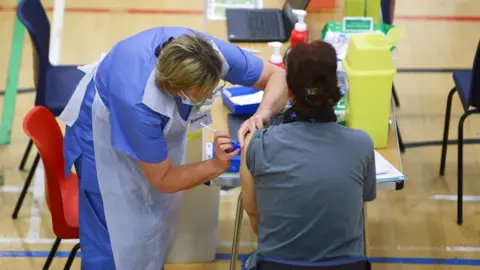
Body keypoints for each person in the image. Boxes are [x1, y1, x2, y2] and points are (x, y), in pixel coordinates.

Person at [58, 27, 287, 269]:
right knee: (115, 239)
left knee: (153, 225)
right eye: (204, 93)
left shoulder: (206, 53)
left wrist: (261, 116)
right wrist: (215, 165)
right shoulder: (138, 104)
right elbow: (164, 179)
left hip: (143, 117)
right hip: (100, 141)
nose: (211, 95)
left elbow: (277, 77)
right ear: (178, 90)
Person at [239, 41, 376, 270]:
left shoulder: (258, 144)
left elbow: (254, 216)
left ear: (289, 92)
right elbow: (355, 211)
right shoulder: (362, 144)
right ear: (336, 85)